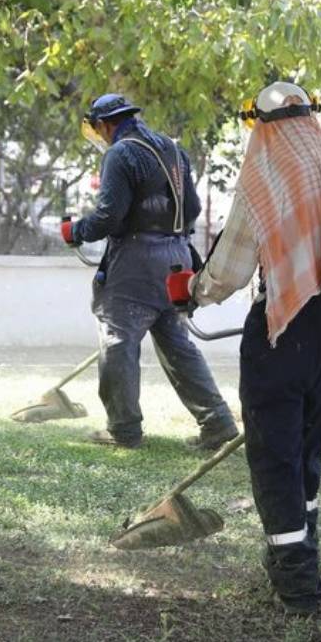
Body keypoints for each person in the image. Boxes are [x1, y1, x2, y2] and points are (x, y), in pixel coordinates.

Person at [166, 82, 321, 614]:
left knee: (275, 455)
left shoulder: (268, 176)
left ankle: (297, 582)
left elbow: (231, 267)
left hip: (285, 332)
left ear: (262, 124)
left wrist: (192, 291)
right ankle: (300, 549)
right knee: (307, 449)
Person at [62, 93, 238, 451]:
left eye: (98, 128)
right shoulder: (173, 150)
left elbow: (109, 217)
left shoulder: (120, 153)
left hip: (135, 264)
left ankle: (123, 430)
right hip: (176, 258)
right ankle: (217, 423)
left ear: (105, 124)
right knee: (177, 344)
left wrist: (77, 231)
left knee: (117, 340)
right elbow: (191, 208)